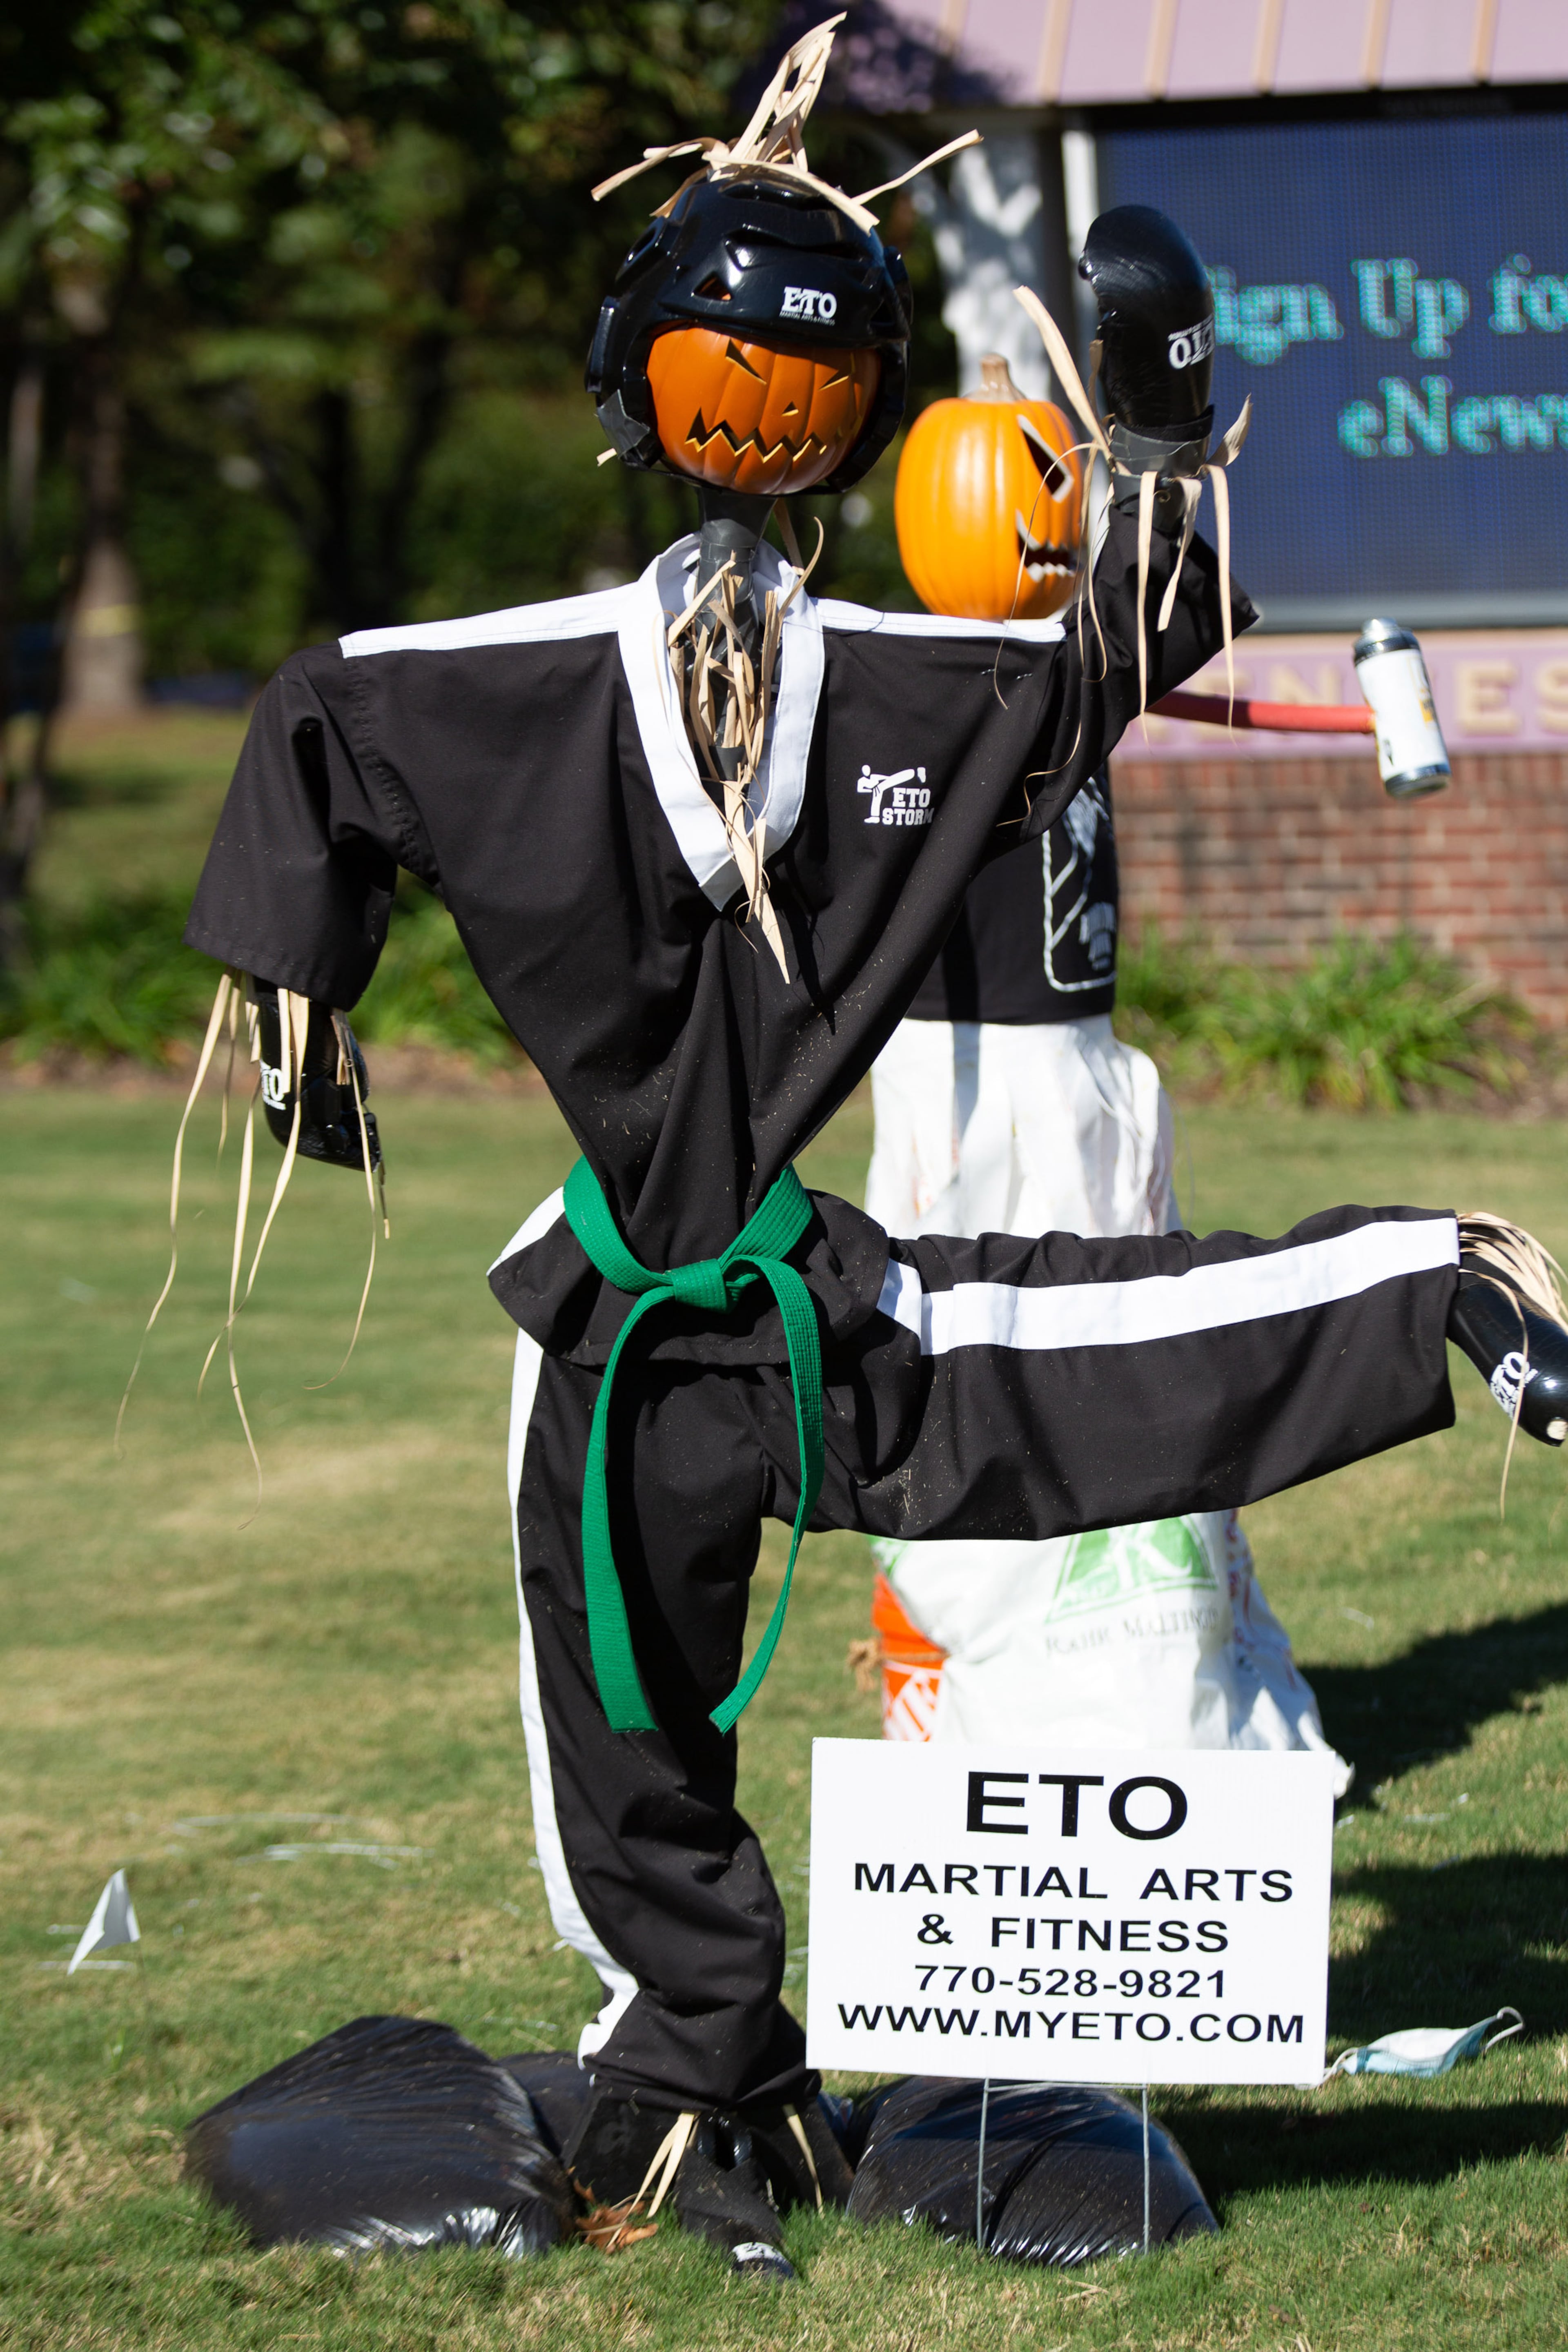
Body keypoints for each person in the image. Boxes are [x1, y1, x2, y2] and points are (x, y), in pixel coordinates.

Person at [174, 21, 1568, 2279]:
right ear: (850, 430)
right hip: (763, 1311)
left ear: (638, 403)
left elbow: (311, 717)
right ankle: (697, 2081)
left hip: (628, 1320)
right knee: (1073, 1383)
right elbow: (1149, 620)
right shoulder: (918, 684)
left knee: (741, 1632)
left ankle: (1439, 1290)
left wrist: (295, 1035)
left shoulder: (475, 675)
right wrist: (1152, 421)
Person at [863, 779, 1349, 1791]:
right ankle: (1000, 1666)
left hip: (1059, 1049)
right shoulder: (905, 710)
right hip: (951, 1060)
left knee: (1104, 1335)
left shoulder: (1072, 686)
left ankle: (1148, 1673)